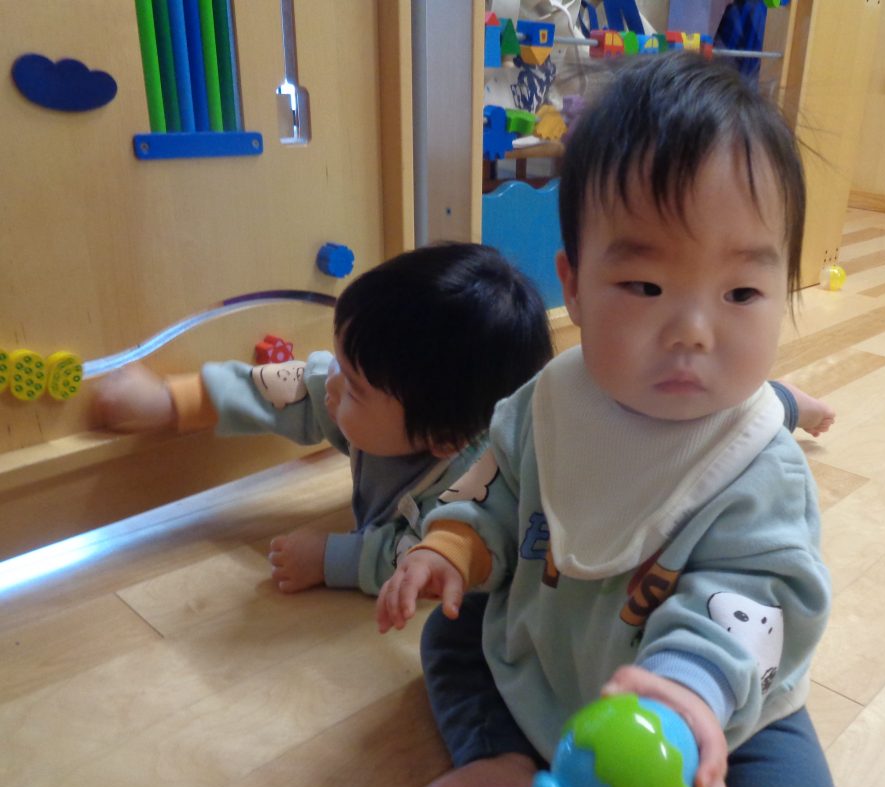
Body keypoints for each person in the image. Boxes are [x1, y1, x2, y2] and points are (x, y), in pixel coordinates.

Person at [376, 53, 839, 787]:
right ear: (575, 288)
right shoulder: (547, 403)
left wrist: (684, 699)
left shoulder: (756, 464)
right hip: (551, 650)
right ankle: (501, 758)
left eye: (741, 292)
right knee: (451, 633)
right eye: (646, 284)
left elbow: (755, 602)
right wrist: (452, 548)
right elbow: (491, 488)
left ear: (784, 288)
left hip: (694, 709)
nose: (693, 329)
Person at [91, 243, 555, 596]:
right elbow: (282, 391)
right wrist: (171, 401)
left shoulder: (471, 491)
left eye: (353, 386)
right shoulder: (377, 403)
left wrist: (333, 559)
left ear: (442, 439)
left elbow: (416, 560)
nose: (330, 381)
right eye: (339, 361)